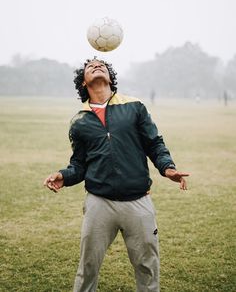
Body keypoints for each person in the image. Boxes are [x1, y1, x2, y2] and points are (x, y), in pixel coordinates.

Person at [44, 57, 190, 292]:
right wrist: (64, 176)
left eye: (102, 65)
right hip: (99, 203)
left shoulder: (135, 106)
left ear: (111, 77)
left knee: (147, 266)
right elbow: (79, 165)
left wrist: (167, 167)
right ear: (83, 82)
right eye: (90, 67)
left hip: (139, 201)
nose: (96, 65)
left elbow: (154, 143)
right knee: (88, 267)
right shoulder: (79, 122)